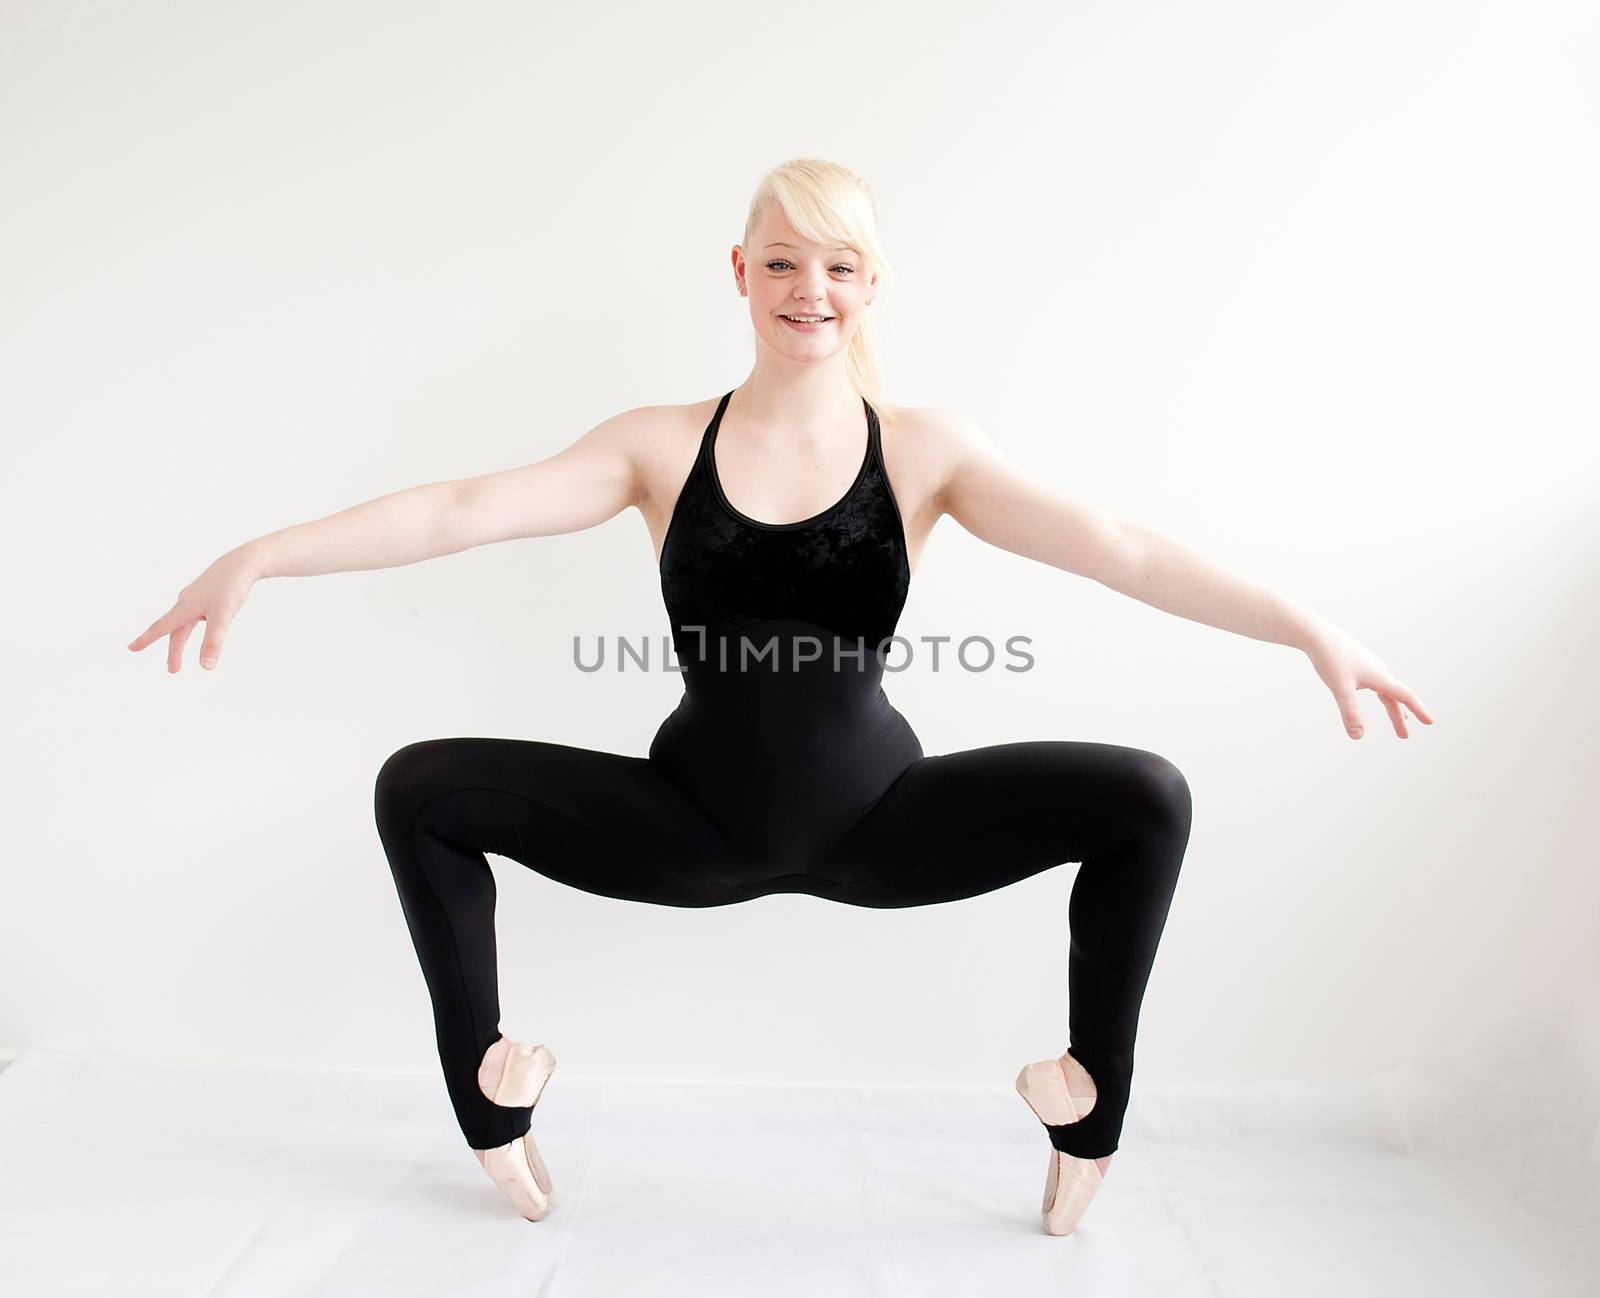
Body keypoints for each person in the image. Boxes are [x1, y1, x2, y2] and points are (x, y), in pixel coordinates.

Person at [128, 157, 1434, 1236]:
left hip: (882, 820)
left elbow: (1123, 545)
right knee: (420, 785)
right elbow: (463, 508)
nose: (813, 288)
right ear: (740, 271)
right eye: (786, 259)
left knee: (1144, 795)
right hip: (691, 820)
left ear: (873, 288)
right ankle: (486, 1081)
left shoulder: (926, 450)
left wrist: (1305, 628)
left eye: (842, 264)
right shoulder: (656, 443)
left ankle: (1087, 1091)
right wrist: (260, 553)